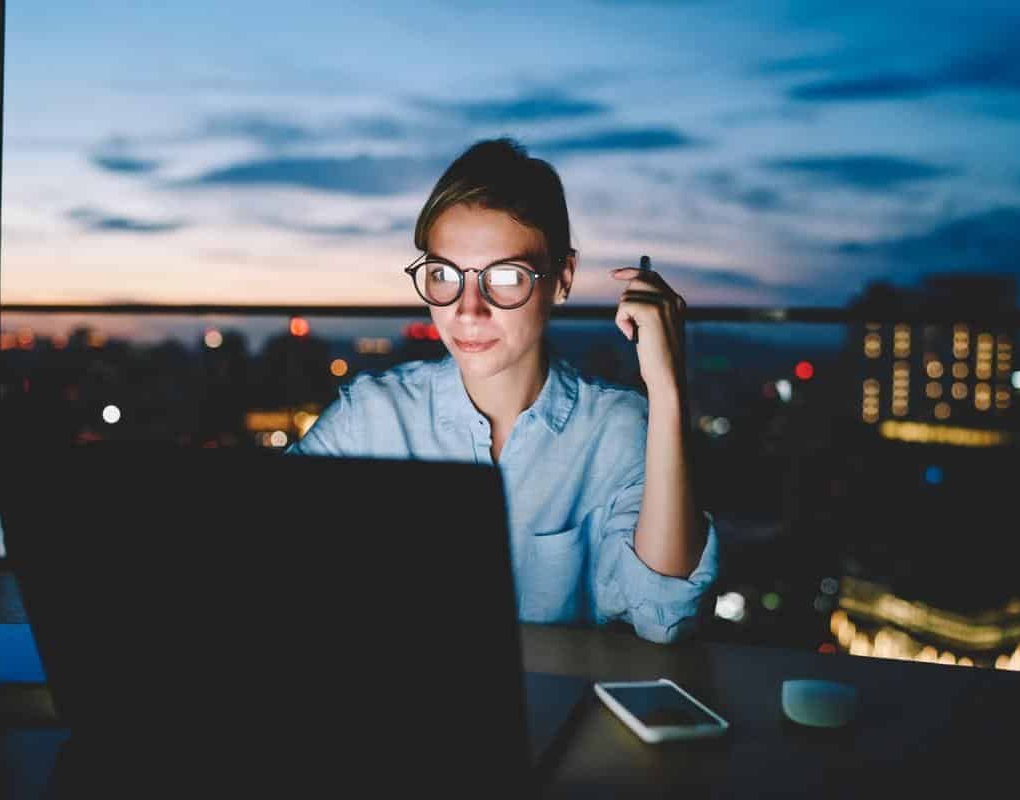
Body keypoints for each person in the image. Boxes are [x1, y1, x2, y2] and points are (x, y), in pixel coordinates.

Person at [286, 137, 718, 643]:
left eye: (506, 276)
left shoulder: (616, 427)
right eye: (444, 275)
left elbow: (662, 615)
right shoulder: (373, 417)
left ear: (562, 279)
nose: (468, 309)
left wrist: (667, 387)